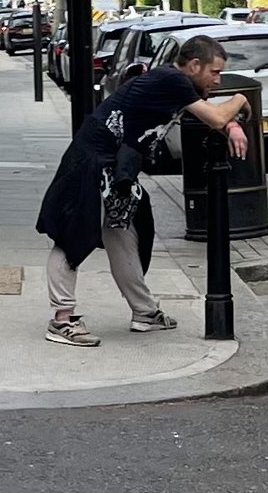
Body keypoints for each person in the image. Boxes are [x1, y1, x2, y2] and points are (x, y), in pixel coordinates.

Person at [36, 35, 250, 348]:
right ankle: (61, 320)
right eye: (214, 72)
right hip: (91, 163)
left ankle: (145, 312)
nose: (217, 80)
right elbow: (216, 116)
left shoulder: (176, 85)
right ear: (194, 65)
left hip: (116, 170)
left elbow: (213, 117)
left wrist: (232, 126)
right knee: (72, 238)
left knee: (122, 236)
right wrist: (241, 99)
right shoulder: (172, 80)